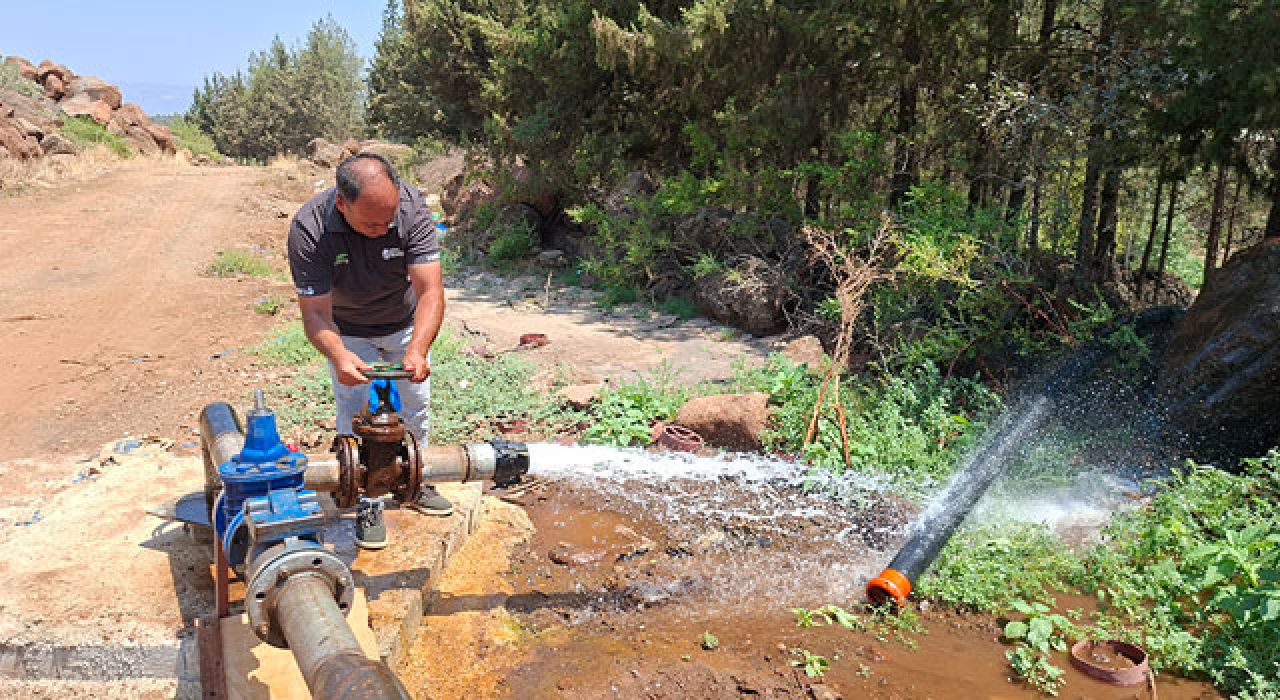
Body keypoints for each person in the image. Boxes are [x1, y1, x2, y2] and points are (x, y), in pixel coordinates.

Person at [287, 152, 452, 550]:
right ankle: (365, 497)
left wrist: (418, 349)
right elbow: (315, 315)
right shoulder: (310, 229)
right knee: (353, 407)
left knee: (416, 403)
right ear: (342, 204)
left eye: (388, 218)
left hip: (402, 322)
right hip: (347, 329)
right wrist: (341, 356)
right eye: (372, 222)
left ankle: (417, 478)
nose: (384, 228)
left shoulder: (411, 212)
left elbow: (431, 291)